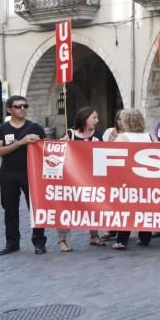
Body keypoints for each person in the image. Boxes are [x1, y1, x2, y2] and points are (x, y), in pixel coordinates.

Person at [0, 96, 47, 255]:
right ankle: (12, 243)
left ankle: (39, 242)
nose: (22, 109)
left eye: (25, 106)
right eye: (18, 106)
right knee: (10, 209)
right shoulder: (1, 129)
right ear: (9, 109)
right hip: (8, 173)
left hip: (31, 173)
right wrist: (20, 142)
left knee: (36, 208)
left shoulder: (35, 127)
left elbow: (47, 148)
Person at [61, 107, 104, 251]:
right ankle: (62, 240)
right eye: (94, 118)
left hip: (91, 178)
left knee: (92, 206)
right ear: (85, 118)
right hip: (71, 178)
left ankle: (94, 235)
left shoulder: (97, 134)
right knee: (66, 208)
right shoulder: (70, 134)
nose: (97, 121)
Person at [112, 109, 155, 250]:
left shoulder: (122, 138)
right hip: (147, 179)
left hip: (128, 179)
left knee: (126, 208)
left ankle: (122, 240)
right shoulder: (150, 137)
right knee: (145, 207)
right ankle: (145, 237)